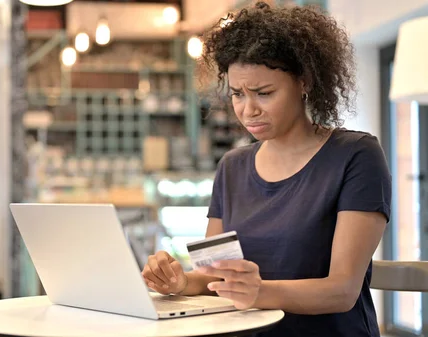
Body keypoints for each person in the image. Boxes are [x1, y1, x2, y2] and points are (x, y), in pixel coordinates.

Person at [141, 2, 391, 337]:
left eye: (264, 93)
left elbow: (342, 290)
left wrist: (259, 292)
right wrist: (181, 281)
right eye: (237, 94)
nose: (248, 110)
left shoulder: (355, 156)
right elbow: (214, 274)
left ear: (305, 82)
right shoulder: (233, 167)